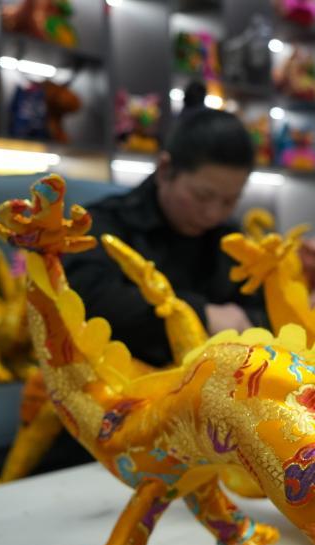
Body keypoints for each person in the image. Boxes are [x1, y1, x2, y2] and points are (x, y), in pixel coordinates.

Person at [63, 83, 266, 367]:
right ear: (165, 170)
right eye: (202, 196)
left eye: (230, 201)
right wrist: (197, 314)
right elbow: (88, 301)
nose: (213, 214)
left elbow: (261, 311)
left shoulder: (230, 237)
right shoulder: (103, 224)